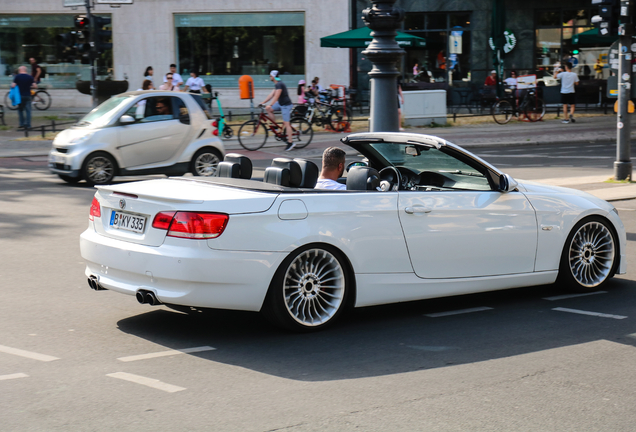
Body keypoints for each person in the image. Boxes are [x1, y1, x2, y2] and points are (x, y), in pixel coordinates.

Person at [261, 70, 294, 151]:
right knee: (269, 109)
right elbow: (271, 95)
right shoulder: (277, 84)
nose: (270, 77)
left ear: (273, 76)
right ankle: (275, 126)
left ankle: (290, 142)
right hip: (280, 103)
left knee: (287, 124)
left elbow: (276, 96)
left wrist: (270, 104)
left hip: (286, 105)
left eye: (270, 76)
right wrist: (263, 102)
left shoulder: (279, 84)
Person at [11, 65, 35, 130]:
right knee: (28, 111)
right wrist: (29, 87)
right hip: (28, 95)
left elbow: (13, 85)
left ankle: (22, 124)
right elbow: (35, 86)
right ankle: (28, 125)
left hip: (20, 96)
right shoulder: (30, 77)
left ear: (20, 70)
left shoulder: (17, 77)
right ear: (25, 70)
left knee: (20, 110)